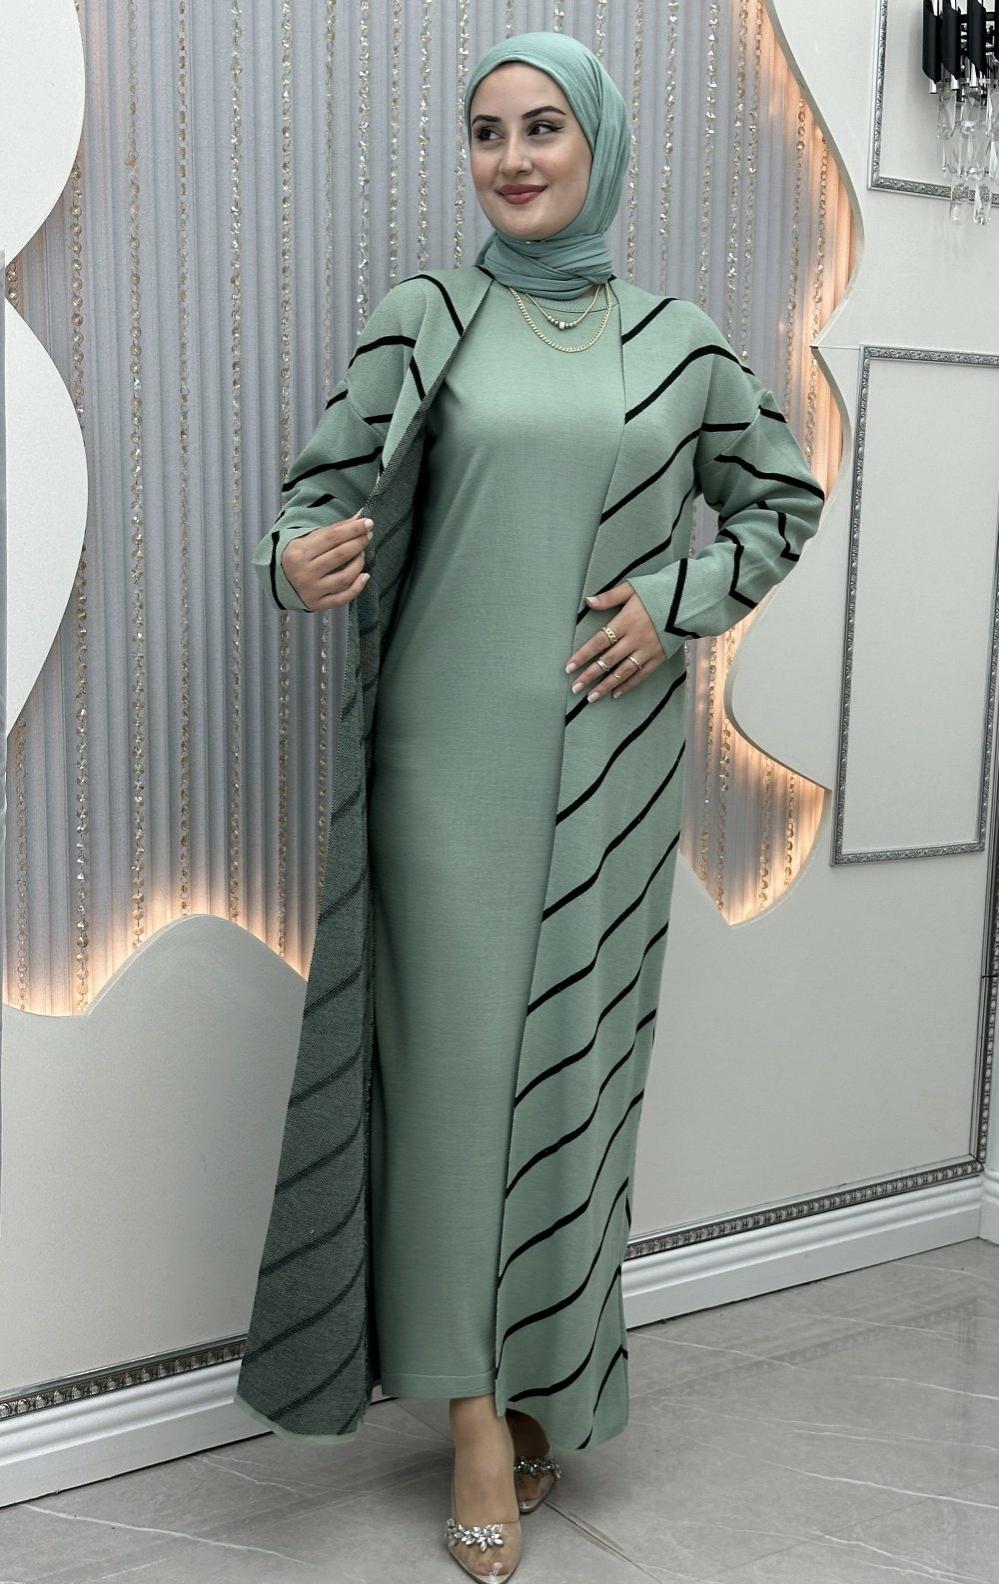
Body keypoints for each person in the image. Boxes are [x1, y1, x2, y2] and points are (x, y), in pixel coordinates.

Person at [237, 29, 826, 1582]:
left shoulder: (683, 345)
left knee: (575, 1084)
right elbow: (313, 501)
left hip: (615, 778)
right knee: (448, 1091)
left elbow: (784, 500)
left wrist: (680, 602)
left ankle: (546, 1377)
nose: (511, 157)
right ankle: (475, 1423)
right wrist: (297, 560)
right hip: (442, 771)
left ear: (599, 145)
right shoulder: (427, 319)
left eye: (543, 127)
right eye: (488, 130)